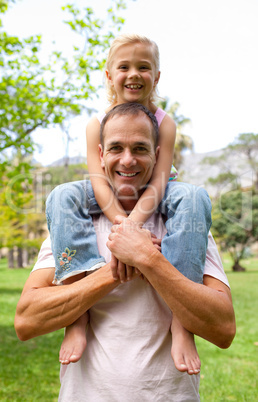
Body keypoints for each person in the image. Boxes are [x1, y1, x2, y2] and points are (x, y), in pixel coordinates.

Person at [15, 103, 236, 401]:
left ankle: (181, 329)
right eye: (116, 147)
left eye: (140, 148)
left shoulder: (188, 224)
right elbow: (27, 321)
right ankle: (76, 322)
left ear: (157, 156)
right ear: (101, 155)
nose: (128, 160)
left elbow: (223, 329)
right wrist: (114, 270)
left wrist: (149, 259)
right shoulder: (73, 223)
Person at [46, 34, 212, 372]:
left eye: (144, 67)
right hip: (110, 189)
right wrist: (123, 227)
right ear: (109, 75)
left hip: (160, 190)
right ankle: (77, 317)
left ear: (157, 77)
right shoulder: (97, 123)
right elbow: (98, 182)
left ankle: (182, 325)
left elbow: (161, 179)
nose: (134, 73)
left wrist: (134, 225)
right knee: (63, 195)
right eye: (124, 66)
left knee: (194, 197)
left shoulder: (165, 123)